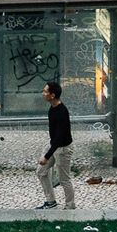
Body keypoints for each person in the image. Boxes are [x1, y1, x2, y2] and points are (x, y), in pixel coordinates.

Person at [35, 80, 75, 210]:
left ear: (52, 95)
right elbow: (55, 138)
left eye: (45, 91)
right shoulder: (52, 108)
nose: (43, 93)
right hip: (54, 145)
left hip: (63, 149)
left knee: (64, 179)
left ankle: (70, 206)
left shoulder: (62, 112)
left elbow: (59, 138)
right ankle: (51, 202)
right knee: (41, 172)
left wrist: (46, 156)